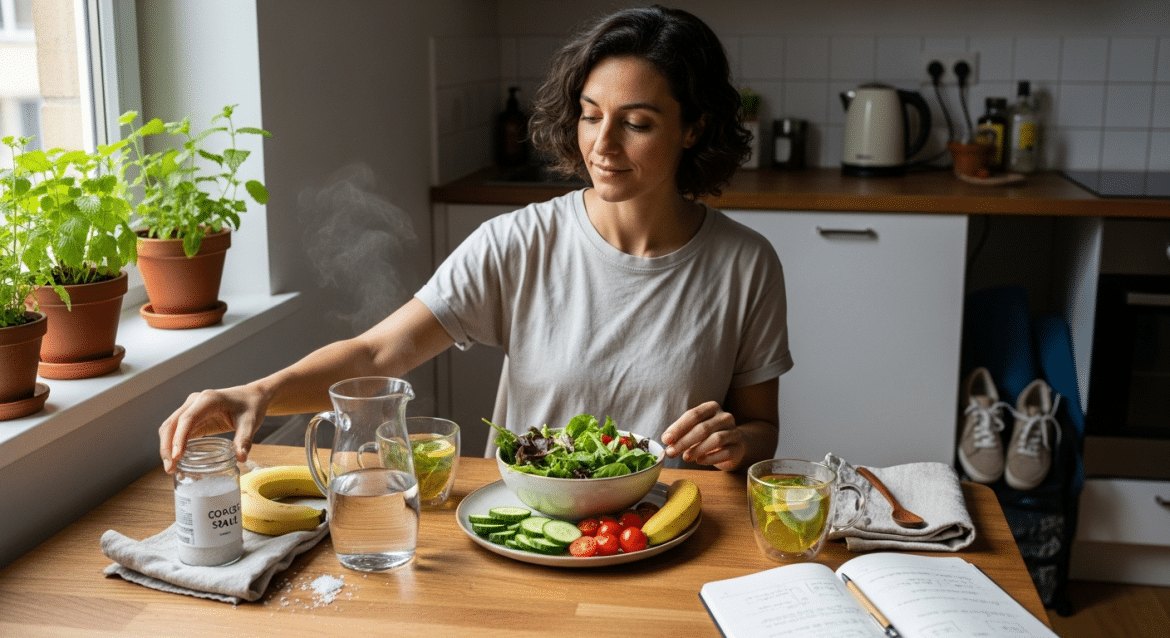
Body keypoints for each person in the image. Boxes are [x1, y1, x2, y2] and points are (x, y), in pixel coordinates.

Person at [159, 5, 792, 474]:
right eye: (591, 115)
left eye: (638, 123)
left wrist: (736, 442)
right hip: (525, 527)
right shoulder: (518, 243)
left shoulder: (745, 264)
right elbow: (378, 356)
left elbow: (761, 427)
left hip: (664, 529)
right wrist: (257, 392)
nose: (603, 144)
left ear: (692, 128)